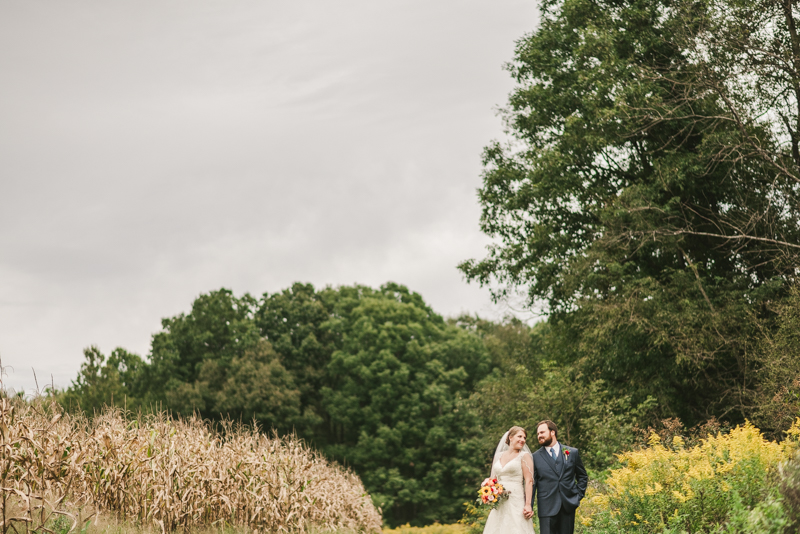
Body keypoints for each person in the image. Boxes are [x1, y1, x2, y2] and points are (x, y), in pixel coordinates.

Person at [526, 420, 588, 534]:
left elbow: (583, 476)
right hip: (546, 508)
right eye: (538, 434)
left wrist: (577, 496)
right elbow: (532, 483)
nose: (539, 436)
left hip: (567, 506)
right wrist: (528, 505)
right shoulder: (534, 457)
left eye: (542, 432)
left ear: (552, 432)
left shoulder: (572, 452)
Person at [482, 426, 536, 534]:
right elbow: (493, 479)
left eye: (524, 438)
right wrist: (489, 491)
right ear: (510, 437)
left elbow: (529, 481)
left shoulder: (524, 456)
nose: (523, 440)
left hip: (516, 500)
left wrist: (528, 504)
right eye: (519, 436)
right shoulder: (498, 456)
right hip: (500, 501)